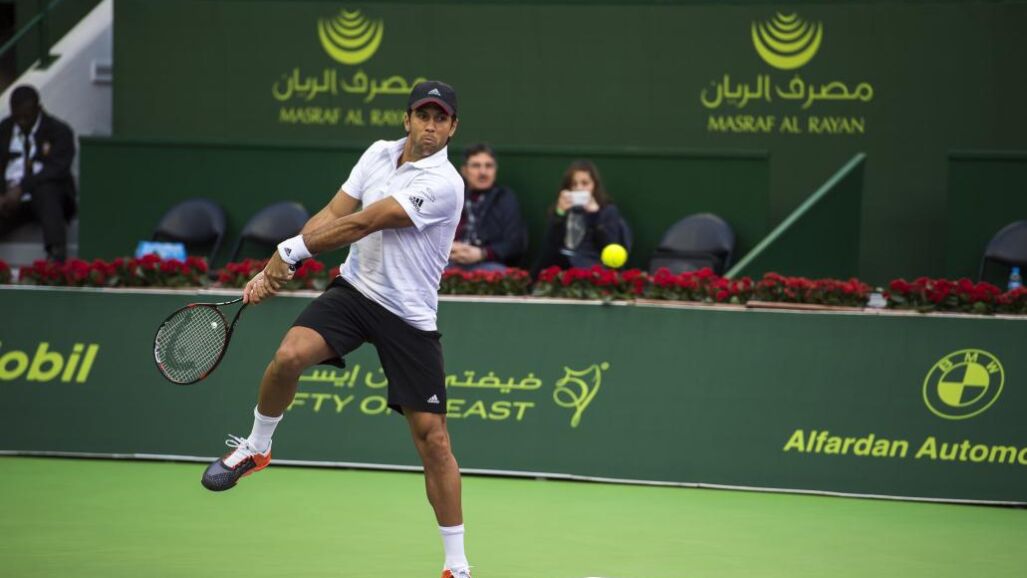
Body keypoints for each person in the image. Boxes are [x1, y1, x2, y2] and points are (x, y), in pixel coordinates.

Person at [201, 81, 472, 578]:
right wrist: (276, 267)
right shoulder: (377, 154)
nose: (430, 127)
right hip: (355, 291)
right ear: (407, 119)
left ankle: (457, 565)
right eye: (423, 116)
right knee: (288, 357)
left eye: (441, 119)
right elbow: (332, 214)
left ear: (453, 127)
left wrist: (290, 251)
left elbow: (366, 222)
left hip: (409, 314)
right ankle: (257, 447)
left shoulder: (445, 183)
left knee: (433, 441)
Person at [0, 85, 76, 262]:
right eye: (17, 117)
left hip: (46, 199)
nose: (22, 122)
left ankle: (55, 255)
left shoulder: (59, 131)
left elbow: (57, 169)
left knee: (47, 190)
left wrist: (22, 188)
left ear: (38, 109)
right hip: (10, 201)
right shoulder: (4, 130)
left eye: (27, 117)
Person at [533, 159, 632, 273]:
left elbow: (609, 248)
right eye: (574, 184)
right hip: (562, 267)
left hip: (590, 269)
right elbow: (549, 249)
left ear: (594, 185)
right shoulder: (563, 209)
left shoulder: (607, 211)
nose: (579, 188)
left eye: (585, 183)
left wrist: (594, 215)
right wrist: (559, 214)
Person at [449, 143, 527, 270]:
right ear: (464, 170)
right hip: (449, 260)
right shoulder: (452, 197)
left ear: (495, 170)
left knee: (497, 272)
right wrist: (448, 247)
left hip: (487, 263)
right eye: (476, 166)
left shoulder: (504, 198)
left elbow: (514, 243)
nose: (483, 172)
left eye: (489, 166)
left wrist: (482, 253)